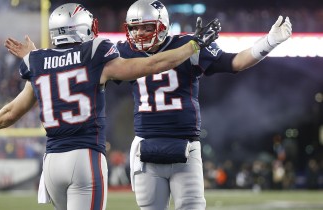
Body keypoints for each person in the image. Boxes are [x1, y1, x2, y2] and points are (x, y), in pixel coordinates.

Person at [0, 3, 220, 210]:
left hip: (51, 162)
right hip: (84, 157)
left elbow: (11, 112)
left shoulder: (37, 60)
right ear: (82, 28)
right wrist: (193, 46)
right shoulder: (94, 52)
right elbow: (151, 65)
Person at [116, 0, 292, 209]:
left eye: (146, 27)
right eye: (134, 28)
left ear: (162, 25)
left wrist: (269, 42)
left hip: (185, 144)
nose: (139, 34)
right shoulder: (126, 51)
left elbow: (235, 62)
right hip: (146, 146)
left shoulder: (190, 43)